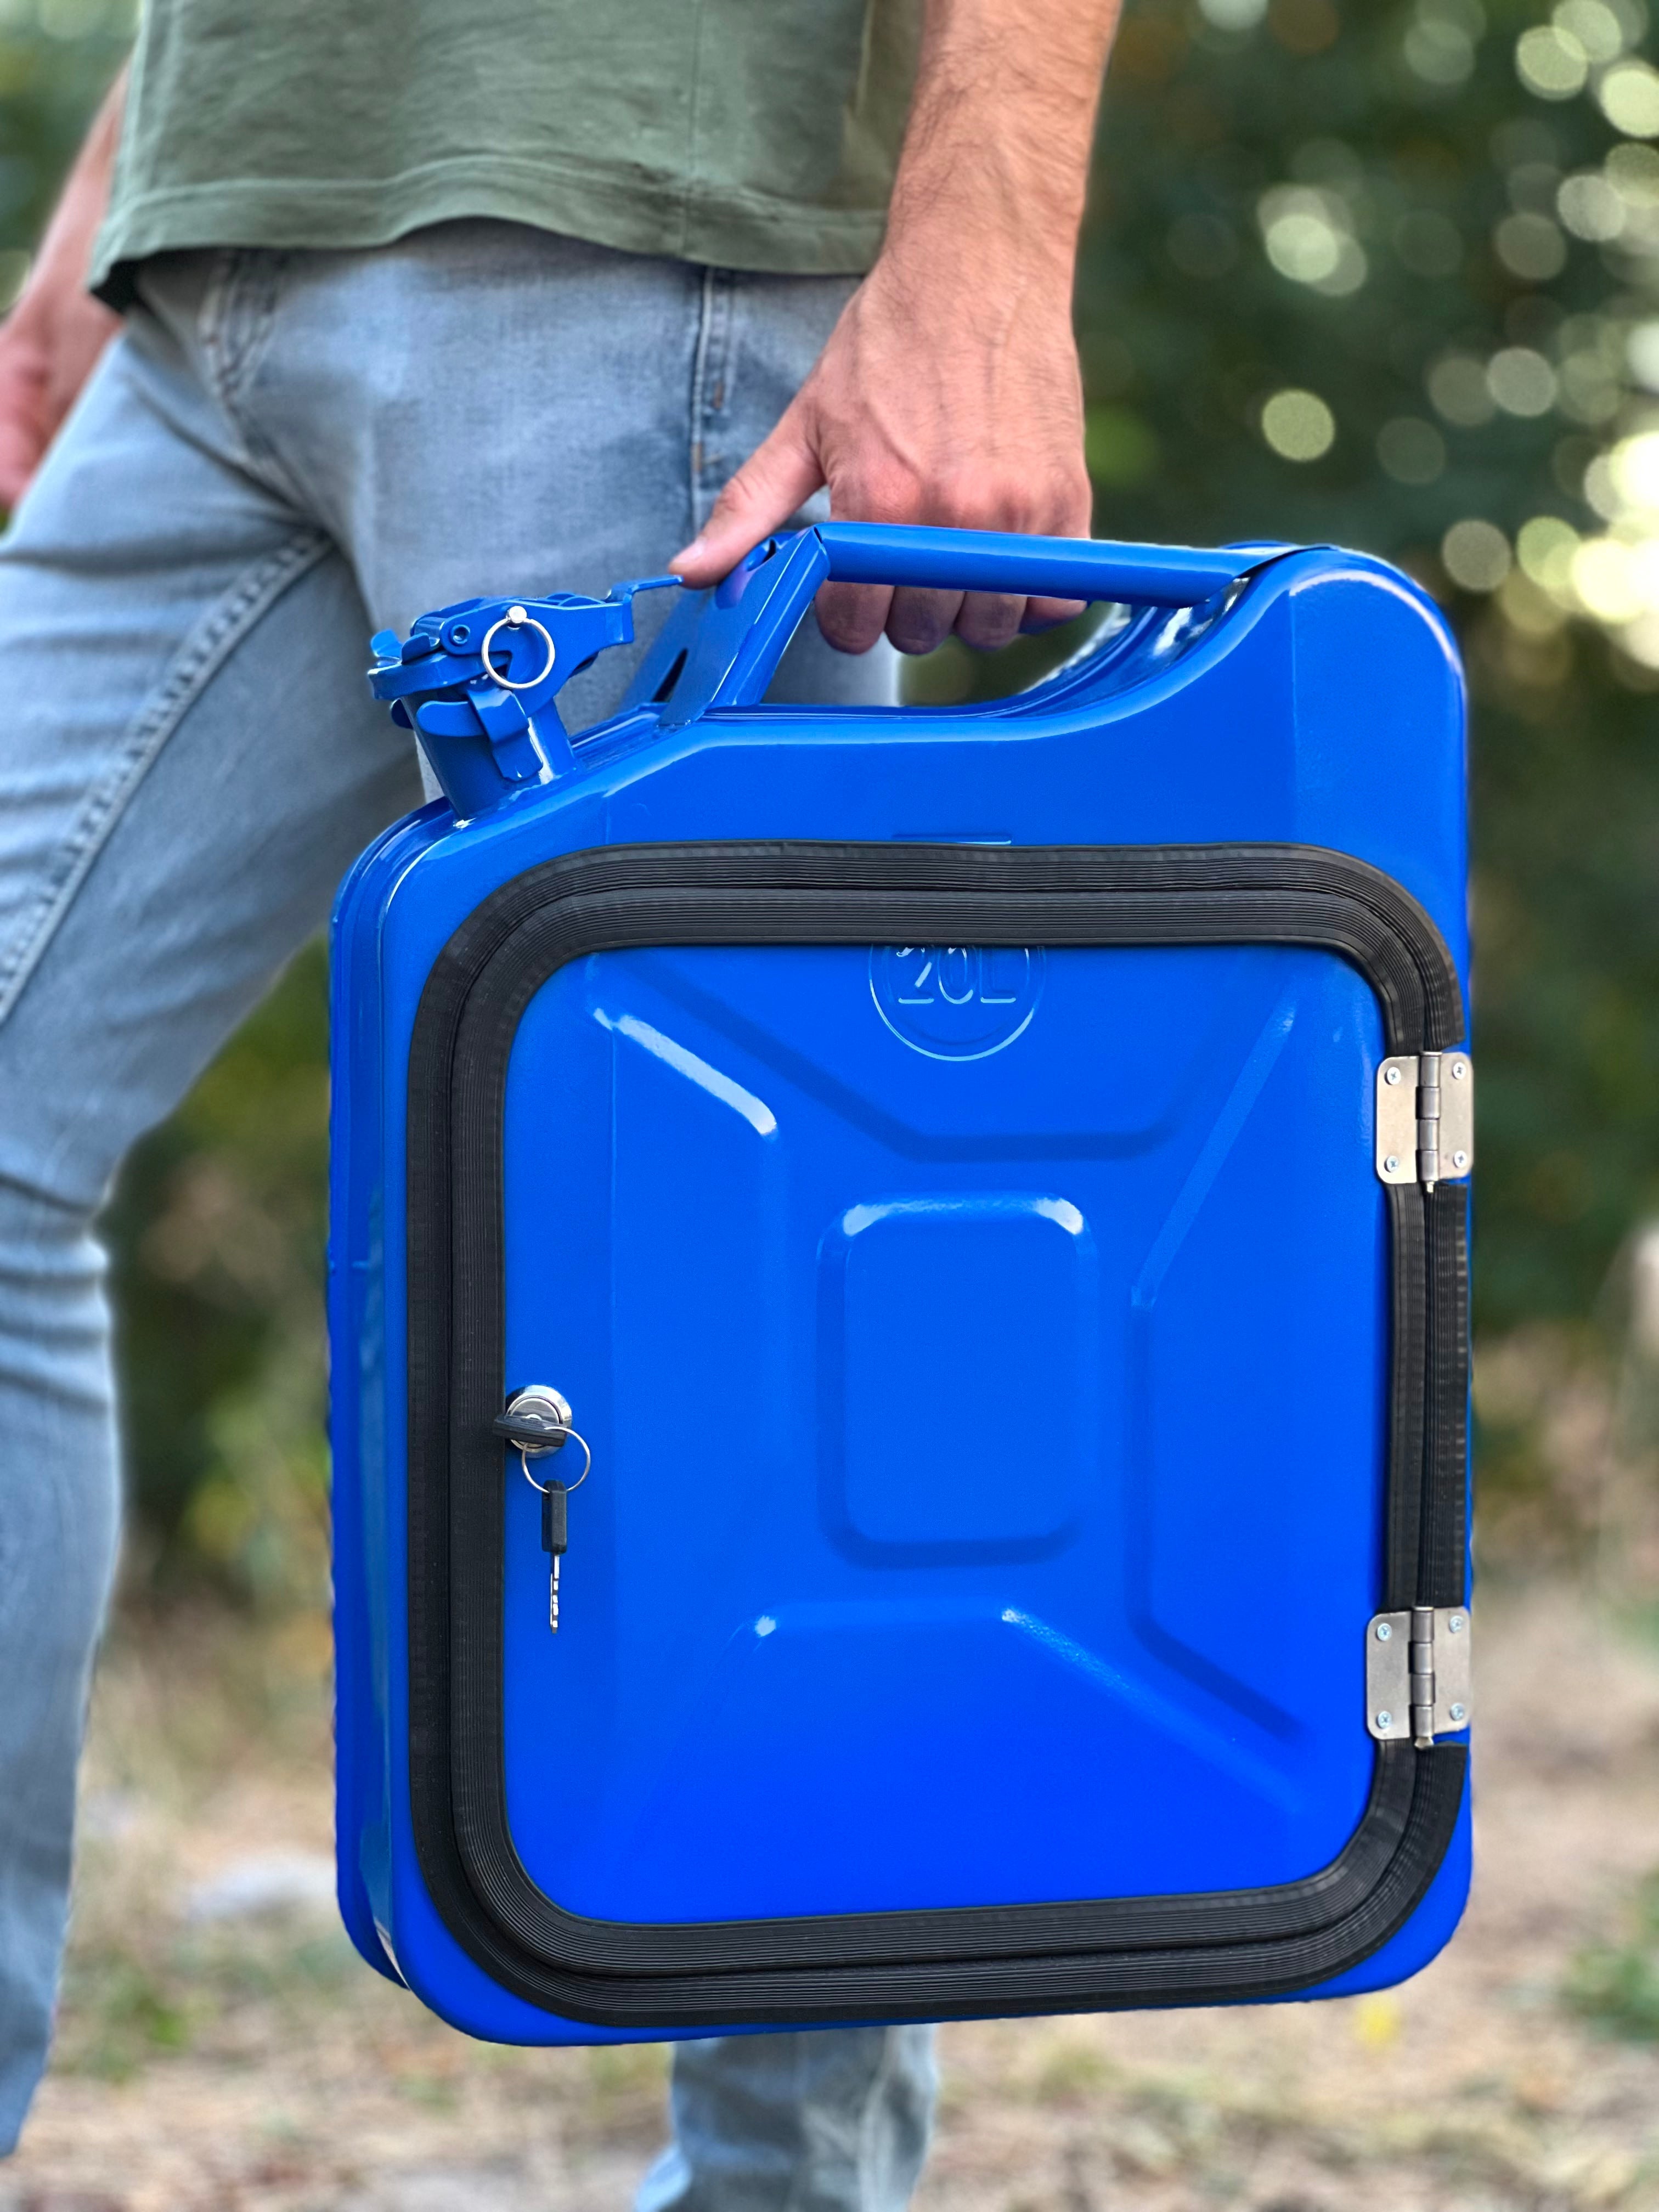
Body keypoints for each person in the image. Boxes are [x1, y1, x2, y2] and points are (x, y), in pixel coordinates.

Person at [0, 0, 1120, 2197]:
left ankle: (794, 2181)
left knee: (722, 1262)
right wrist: (120, 186)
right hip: (214, 282)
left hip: (643, 246)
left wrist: (987, 246)